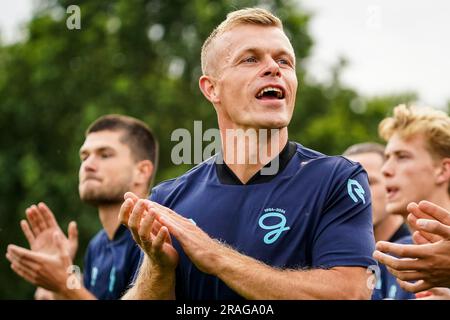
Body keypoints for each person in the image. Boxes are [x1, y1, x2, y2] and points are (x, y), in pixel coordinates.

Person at [120, 8, 375, 300]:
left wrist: (215, 256)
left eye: (284, 61)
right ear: (211, 89)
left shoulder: (336, 179)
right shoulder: (169, 200)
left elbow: (350, 294)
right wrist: (159, 269)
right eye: (251, 59)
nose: (273, 68)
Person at [6, 114, 158, 299]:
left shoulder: (152, 238)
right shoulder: (97, 245)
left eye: (105, 155)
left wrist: (64, 285)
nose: (88, 165)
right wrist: (59, 279)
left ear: (141, 172)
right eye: (84, 156)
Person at [372, 104, 450, 294]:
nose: (385, 170)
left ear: (443, 170)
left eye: (402, 157)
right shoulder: (394, 255)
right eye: (387, 157)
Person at [344, 142, 415, 299]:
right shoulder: (339, 260)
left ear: (391, 185)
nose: (356, 193)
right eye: (346, 185)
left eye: (368, 182)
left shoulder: (420, 253)